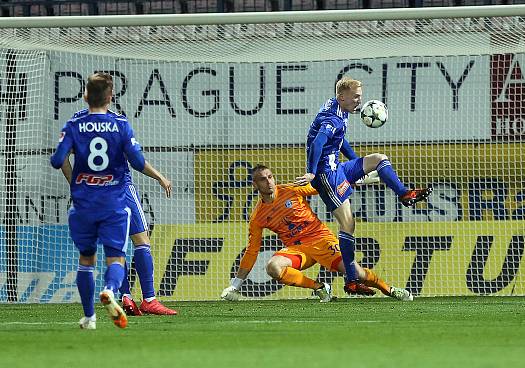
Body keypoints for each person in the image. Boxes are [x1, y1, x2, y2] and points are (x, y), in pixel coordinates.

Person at [294, 76, 432, 295]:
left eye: (360, 96)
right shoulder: (332, 118)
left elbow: (339, 141)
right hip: (326, 176)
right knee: (347, 224)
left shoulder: (338, 108)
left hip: (338, 168)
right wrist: (311, 171)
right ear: (342, 96)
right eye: (356, 96)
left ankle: (405, 194)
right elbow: (318, 143)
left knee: (378, 159)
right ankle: (351, 280)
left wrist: (357, 165)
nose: (360, 100)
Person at [220, 165, 412, 302]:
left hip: (321, 240)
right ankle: (320, 288)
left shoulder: (291, 190)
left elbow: (323, 187)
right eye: (263, 179)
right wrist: (235, 285)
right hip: (298, 250)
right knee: (273, 267)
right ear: (255, 185)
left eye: (270, 177)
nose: (269, 182)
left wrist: (352, 180)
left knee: (357, 273)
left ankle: (391, 290)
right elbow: (252, 251)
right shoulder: (258, 217)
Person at [50, 72, 147, 329]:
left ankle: (89, 317)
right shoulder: (121, 125)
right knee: (116, 257)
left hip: (83, 203)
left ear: (85, 96)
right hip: (113, 202)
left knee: (86, 259)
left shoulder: (74, 124)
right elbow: (137, 162)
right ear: (110, 97)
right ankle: (110, 289)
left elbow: (57, 160)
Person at [59, 148, 177, 316]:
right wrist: (160, 176)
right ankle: (149, 300)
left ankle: (126, 297)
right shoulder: (117, 125)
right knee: (142, 242)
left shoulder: (78, 127)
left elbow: (62, 158)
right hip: (122, 189)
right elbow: (136, 160)